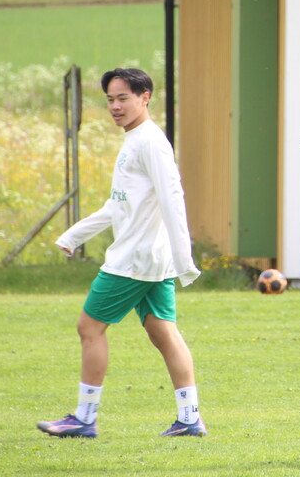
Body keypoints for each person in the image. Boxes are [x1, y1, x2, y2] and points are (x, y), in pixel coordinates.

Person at [37, 67, 205, 439]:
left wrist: (185, 260)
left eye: (123, 98)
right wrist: (74, 235)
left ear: (145, 98)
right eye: (110, 100)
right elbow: (118, 204)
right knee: (163, 332)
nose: (115, 106)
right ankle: (190, 418)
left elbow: (172, 198)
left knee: (89, 327)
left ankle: (84, 418)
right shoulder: (134, 139)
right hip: (149, 260)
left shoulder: (150, 142)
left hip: (134, 260)